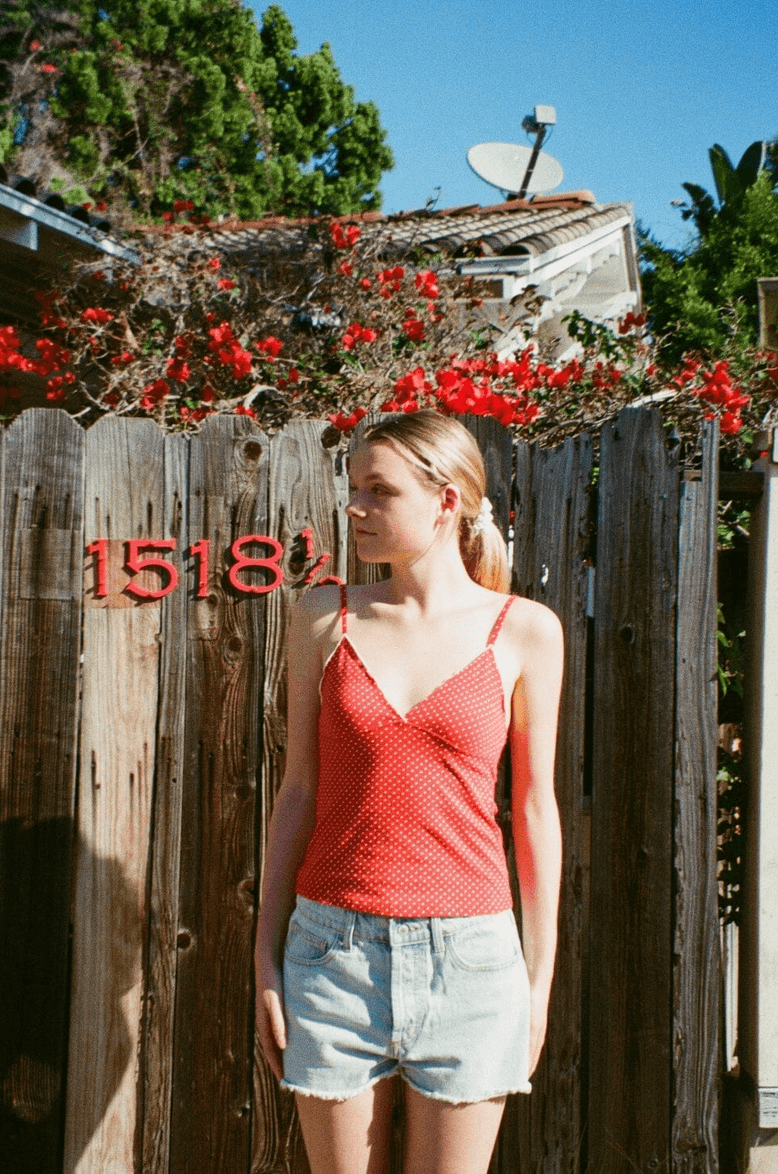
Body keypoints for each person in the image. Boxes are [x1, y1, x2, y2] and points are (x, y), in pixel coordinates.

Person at [255, 411, 563, 1174]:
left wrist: (537, 978)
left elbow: (533, 809)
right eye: (353, 488)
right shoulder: (325, 618)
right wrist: (264, 957)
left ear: (446, 500)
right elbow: (297, 791)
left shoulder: (523, 631)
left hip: (473, 959)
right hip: (333, 953)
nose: (354, 507)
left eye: (378, 491)